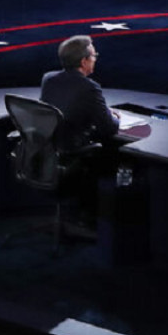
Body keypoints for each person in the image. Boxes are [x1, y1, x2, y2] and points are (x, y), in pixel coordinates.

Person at [40, 35, 121, 226]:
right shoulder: (90, 88)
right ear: (84, 61)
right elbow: (109, 128)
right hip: (70, 157)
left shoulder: (49, 79)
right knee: (111, 155)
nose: (95, 59)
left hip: (44, 155)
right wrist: (115, 117)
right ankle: (94, 218)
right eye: (94, 55)